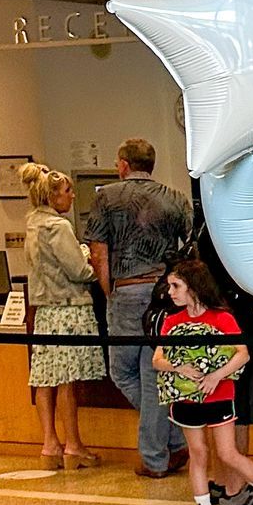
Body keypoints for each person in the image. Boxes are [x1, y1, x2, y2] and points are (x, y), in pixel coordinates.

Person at [151, 256, 253, 505]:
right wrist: (178, 367)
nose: (171, 292)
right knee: (198, 452)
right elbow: (157, 358)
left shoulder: (222, 318)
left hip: (219, 395)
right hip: (186, 399)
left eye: (176, 286)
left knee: (227, 452)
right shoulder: (171, 321)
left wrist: (216, 376)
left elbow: (242, 353)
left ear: (194, 286)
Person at [86, 138, 191, 478]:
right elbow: (190, 248)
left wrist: (109, 291)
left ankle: (155, 457)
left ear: (123, 164)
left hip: (128, 293)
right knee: (154, 375)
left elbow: (98, 253)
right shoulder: (175, 198)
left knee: (122, 372)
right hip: (166, 295)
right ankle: (171, 443)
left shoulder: (106, 197)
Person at [20, 161, 104, 468]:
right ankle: (74, 445)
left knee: (45, 380)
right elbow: (78, 270)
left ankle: (49, 444)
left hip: (44, 311)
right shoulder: (58, 226)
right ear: (53, 196)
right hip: (69, 309)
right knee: (68, 381)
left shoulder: (31, 224)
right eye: (68, 191)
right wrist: (88, 257)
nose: (71, 196)